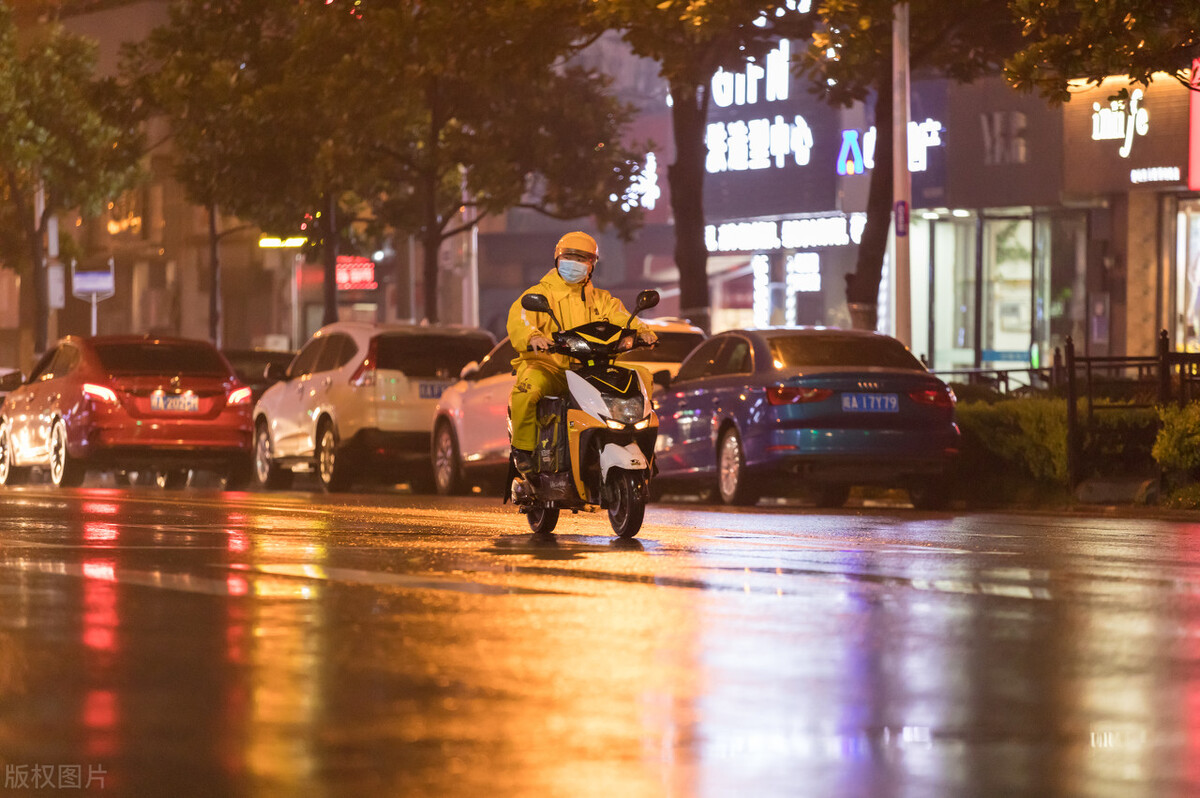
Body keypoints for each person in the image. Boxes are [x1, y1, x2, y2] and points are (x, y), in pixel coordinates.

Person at [506, 231, 657, 476]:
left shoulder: (602, 299)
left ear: (592, 265)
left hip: (592, 372)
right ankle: (524, 452)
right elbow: (520, 321)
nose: (574, 263)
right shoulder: (539, 295)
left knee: (642, 376)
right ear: (557, 259)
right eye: (569, 257)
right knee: (527, 391)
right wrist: (533, 337)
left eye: (582, 258)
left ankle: (638, 441)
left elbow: (624, 319)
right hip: (552, 370)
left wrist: (644, 332)